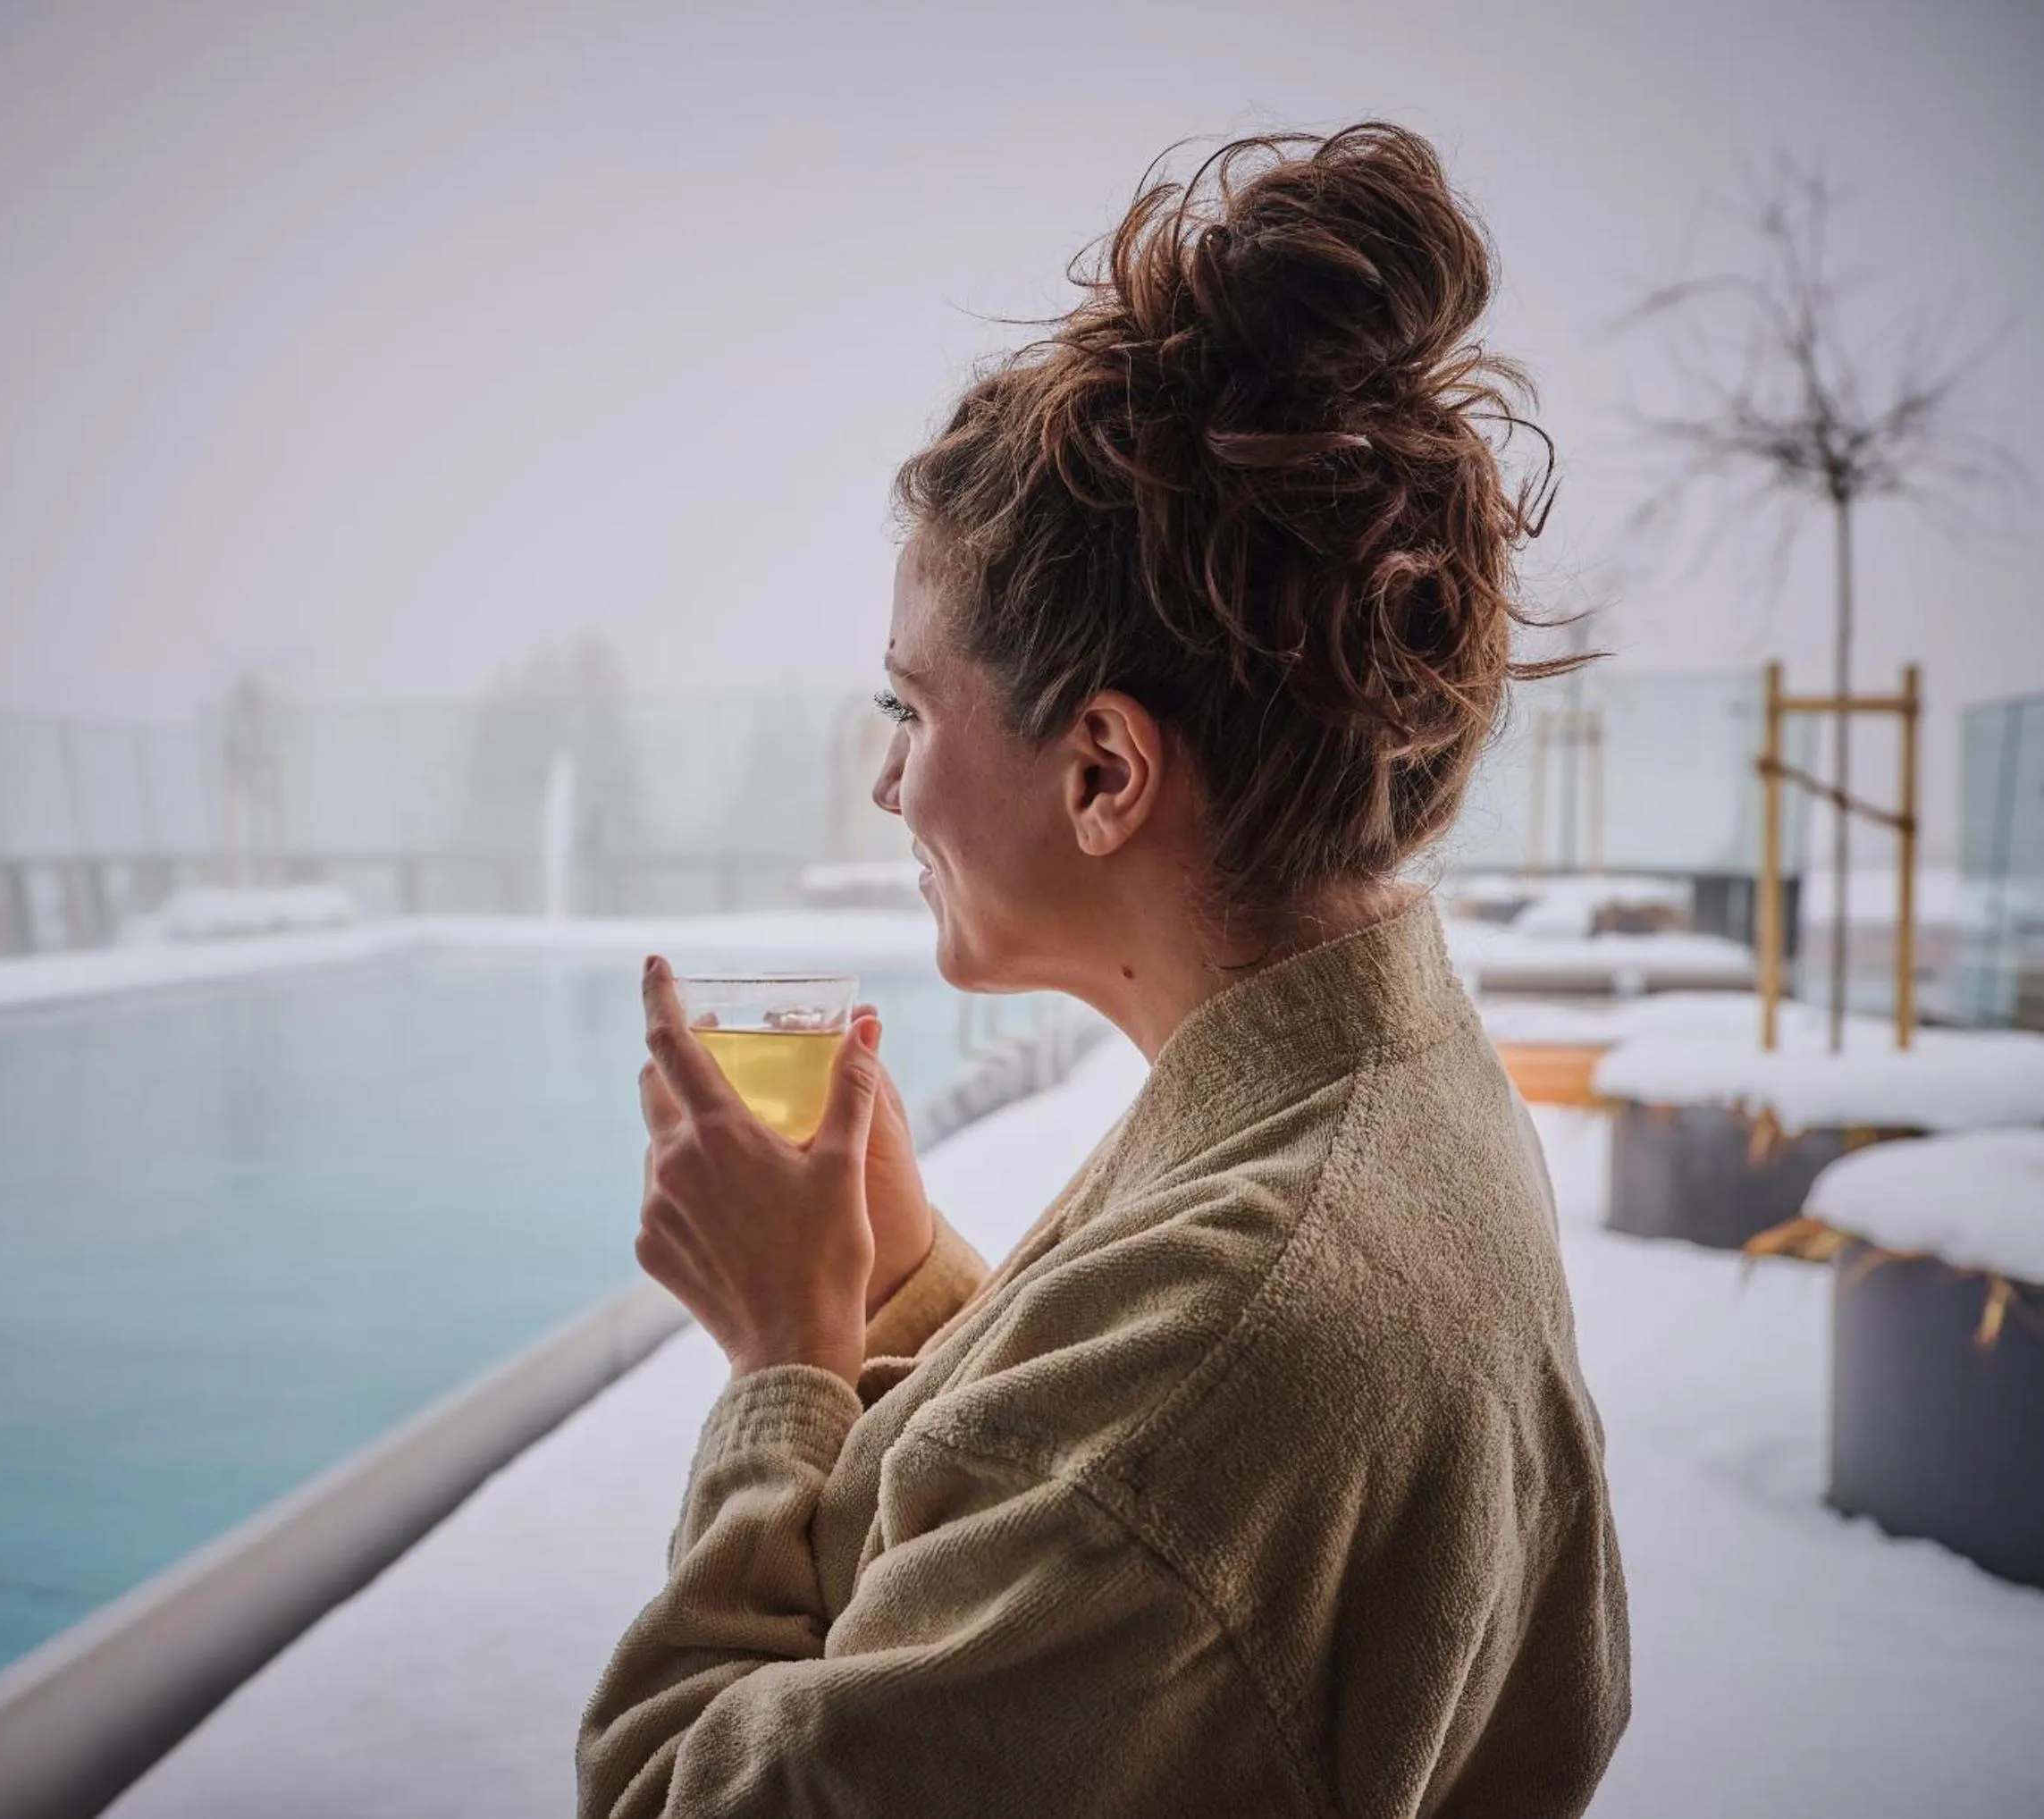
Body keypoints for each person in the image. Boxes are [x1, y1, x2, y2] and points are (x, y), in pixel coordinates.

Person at [581, 122, 1629, 1817]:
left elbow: (675, 1797)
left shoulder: (1245, 1324)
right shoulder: (1369, 1085)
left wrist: (783, 1360)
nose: (887, 784)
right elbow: (1080, 1495)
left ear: (1105, 773)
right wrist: (902, 1274)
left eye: (910, 711)